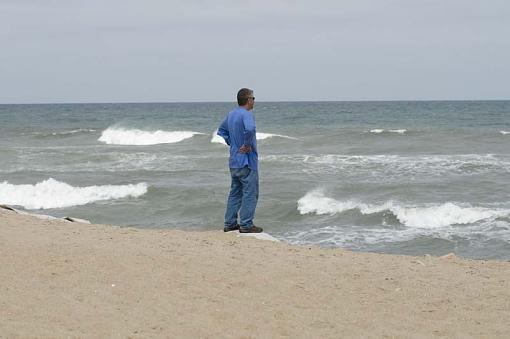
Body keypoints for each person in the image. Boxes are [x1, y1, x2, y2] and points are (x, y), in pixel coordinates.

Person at [217, 88, 263, 233]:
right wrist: (247, 145)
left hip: (234, 161)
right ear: (248, 99)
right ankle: (246, 225)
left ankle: (230, 223)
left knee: (235, 192)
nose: (254, 101)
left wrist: (232, 142)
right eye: (253, 98)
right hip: (247, 162)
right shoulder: (247, 114)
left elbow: (221, 130)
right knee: (250, 193)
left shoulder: (231, 114)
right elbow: (250, 129)